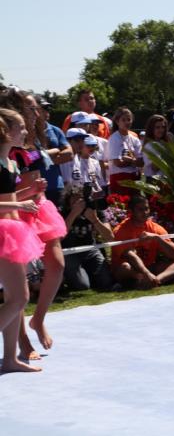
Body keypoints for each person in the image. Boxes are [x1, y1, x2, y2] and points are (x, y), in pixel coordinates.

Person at [3, 89, 68, 352]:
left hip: (39, 207)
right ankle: (20, 341)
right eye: (30, 108)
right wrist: (22, 198)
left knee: (57, 265)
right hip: (16, 211)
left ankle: (38, 319)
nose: (36, 112)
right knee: (17, 286)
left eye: (36, 108)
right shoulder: (8, 146)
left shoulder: (33, 141)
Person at [0, 108, 46, 373]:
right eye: (20, 126)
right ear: (6, 131)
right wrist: (21, 203)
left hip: (13, 230)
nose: (26, 130)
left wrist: (30, 192)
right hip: (3, 231)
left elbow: (9, 198)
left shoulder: (11, 162)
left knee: (13, 298)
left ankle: (9, 359)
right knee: (20, 298)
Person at [111, 195, 174, 289]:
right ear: (131, 211)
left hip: (150, 267)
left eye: (146, 209)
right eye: (140, 209)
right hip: (131, 269)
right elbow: (131, 257)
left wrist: (157, 238)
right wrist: (147, 273)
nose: (145, 212)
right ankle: (144, 281)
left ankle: (156, 281)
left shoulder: (155, 228)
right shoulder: (121, 230)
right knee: (125, 267)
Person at [60, 186, 114, 291]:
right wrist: (73, 214)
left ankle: (89, 274)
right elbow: (60, 237)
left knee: (106, 281)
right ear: (68, 203)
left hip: (90, 250)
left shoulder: (94, 211)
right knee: (82, 286)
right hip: (69, 252)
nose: (78, 204)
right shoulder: (62, 213)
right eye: (74, 201)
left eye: (80, 200)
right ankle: (68, 277)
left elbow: (110, 237)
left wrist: (94, 220)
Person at [37, 98, 73, 206]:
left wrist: (43, 159)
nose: (47, 111)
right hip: (36, 187)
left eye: (48, 108)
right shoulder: (28, 132)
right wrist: (56, 151)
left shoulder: (56, 130)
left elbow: (70, 154)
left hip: (56, 185)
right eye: (43, 108)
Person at [107, 107, 143, 194]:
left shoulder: (135, 139)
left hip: (134, 178)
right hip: (119, 179)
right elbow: (117, 163)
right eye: (123, 120)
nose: (127, 122)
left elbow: (141, 163)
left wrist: (129, 160)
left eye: (129, 119)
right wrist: (134, 161)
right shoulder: (114, 138)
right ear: (117, 121)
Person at [141, 115, 169, 180]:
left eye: (163, 127)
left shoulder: (163, 143)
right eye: (157, 127)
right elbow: (155, 168)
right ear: (151, 129)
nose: (161, 130)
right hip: (154, 181)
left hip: (165, 180)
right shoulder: (149, 145)